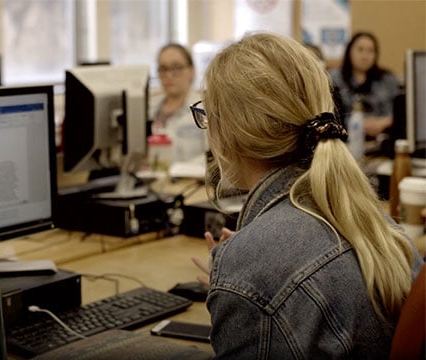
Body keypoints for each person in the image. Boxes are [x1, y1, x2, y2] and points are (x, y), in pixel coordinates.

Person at [190, 32, 423, 358]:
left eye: (206, 115)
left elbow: (272, 278)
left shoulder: (250, 272)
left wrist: (239, 274)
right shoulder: (380, 226)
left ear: (227, 132)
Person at [330, 32, 400, 138]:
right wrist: (359, 124)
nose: (365, 56)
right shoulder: (335, 78)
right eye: (360, 50)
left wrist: (383, 122)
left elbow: (399, 113)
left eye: (370, 51)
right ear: (349, 52)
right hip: (346, 138)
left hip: (383, 137)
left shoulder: (387, 79)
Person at [149, 43, 205, 163]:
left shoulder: (204, 110)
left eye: (176, 67)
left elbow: (214, 157)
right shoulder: (148, 109)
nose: (169, 75)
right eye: (163, 69)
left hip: (193, 180)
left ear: (192, 70)